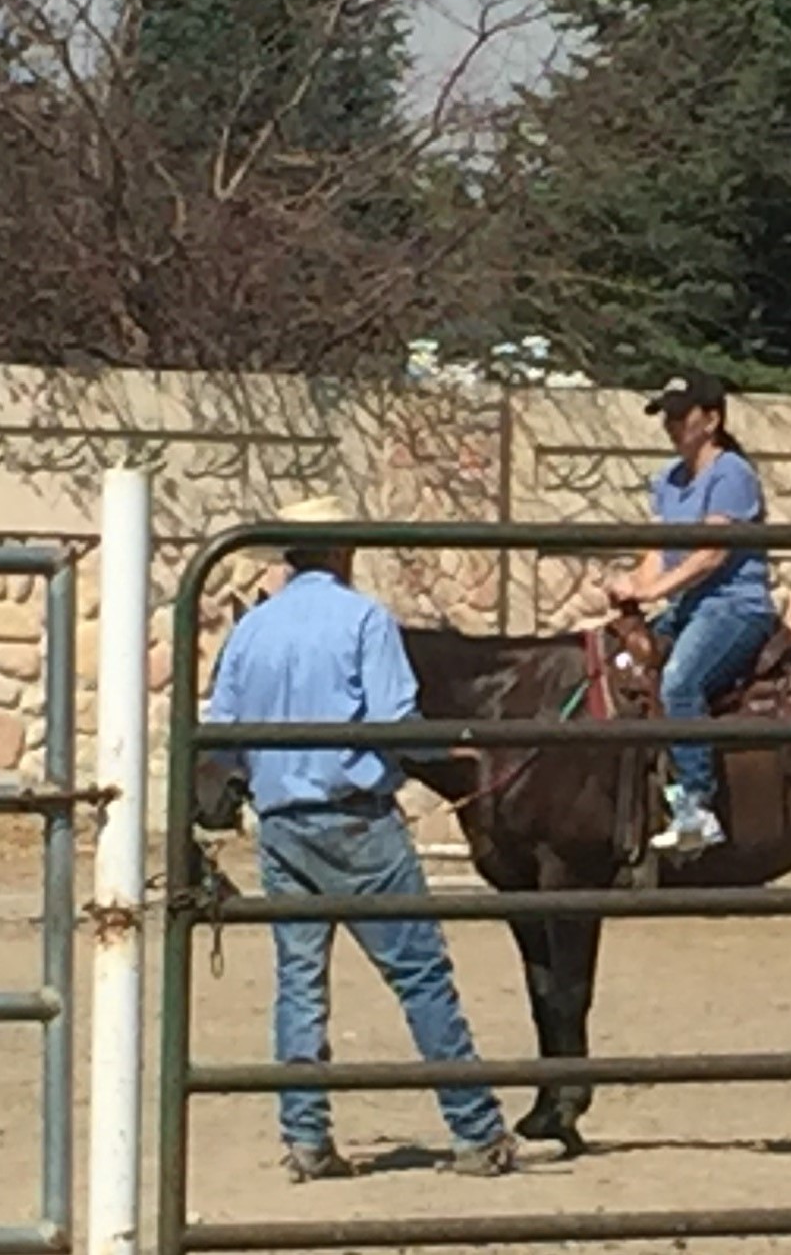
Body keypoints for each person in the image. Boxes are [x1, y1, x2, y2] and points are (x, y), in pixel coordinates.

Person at [204, 494, 515, 1182]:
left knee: (300, 982)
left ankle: (306, 1139)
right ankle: (476, 1130)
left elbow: (220, 736)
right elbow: (393, 720)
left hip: (281, 823)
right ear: (343, 550)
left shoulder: (252, 631)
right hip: (357, 820)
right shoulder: (365, 620)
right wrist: (452, 753)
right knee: (421, 974)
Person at [606, 371, 777, 853]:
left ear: (713, 420)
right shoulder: (668, 480)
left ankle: (697, 807)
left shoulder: (733, 474)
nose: (672, 425)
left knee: (680, 682)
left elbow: (712, 553)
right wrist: (632, 588)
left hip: (735, 608)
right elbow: (661, 550)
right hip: (688, 607)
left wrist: (655, 589)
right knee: (617, 663)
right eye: (667, 415)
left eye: (682, 415)